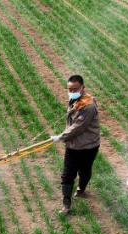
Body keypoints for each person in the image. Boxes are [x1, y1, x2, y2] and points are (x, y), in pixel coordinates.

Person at [51, 75, 101, 215]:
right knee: (67, 175)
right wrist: (65, 137)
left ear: (83, 88)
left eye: (75, 89)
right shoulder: (75, 99)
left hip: (88, 147)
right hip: (73, 146)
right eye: (69, 89)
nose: (71, 91)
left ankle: (81, 189)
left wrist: (61, 137)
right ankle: (66, 205)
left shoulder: (89, 106)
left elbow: (79, 127)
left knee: (85, 171)